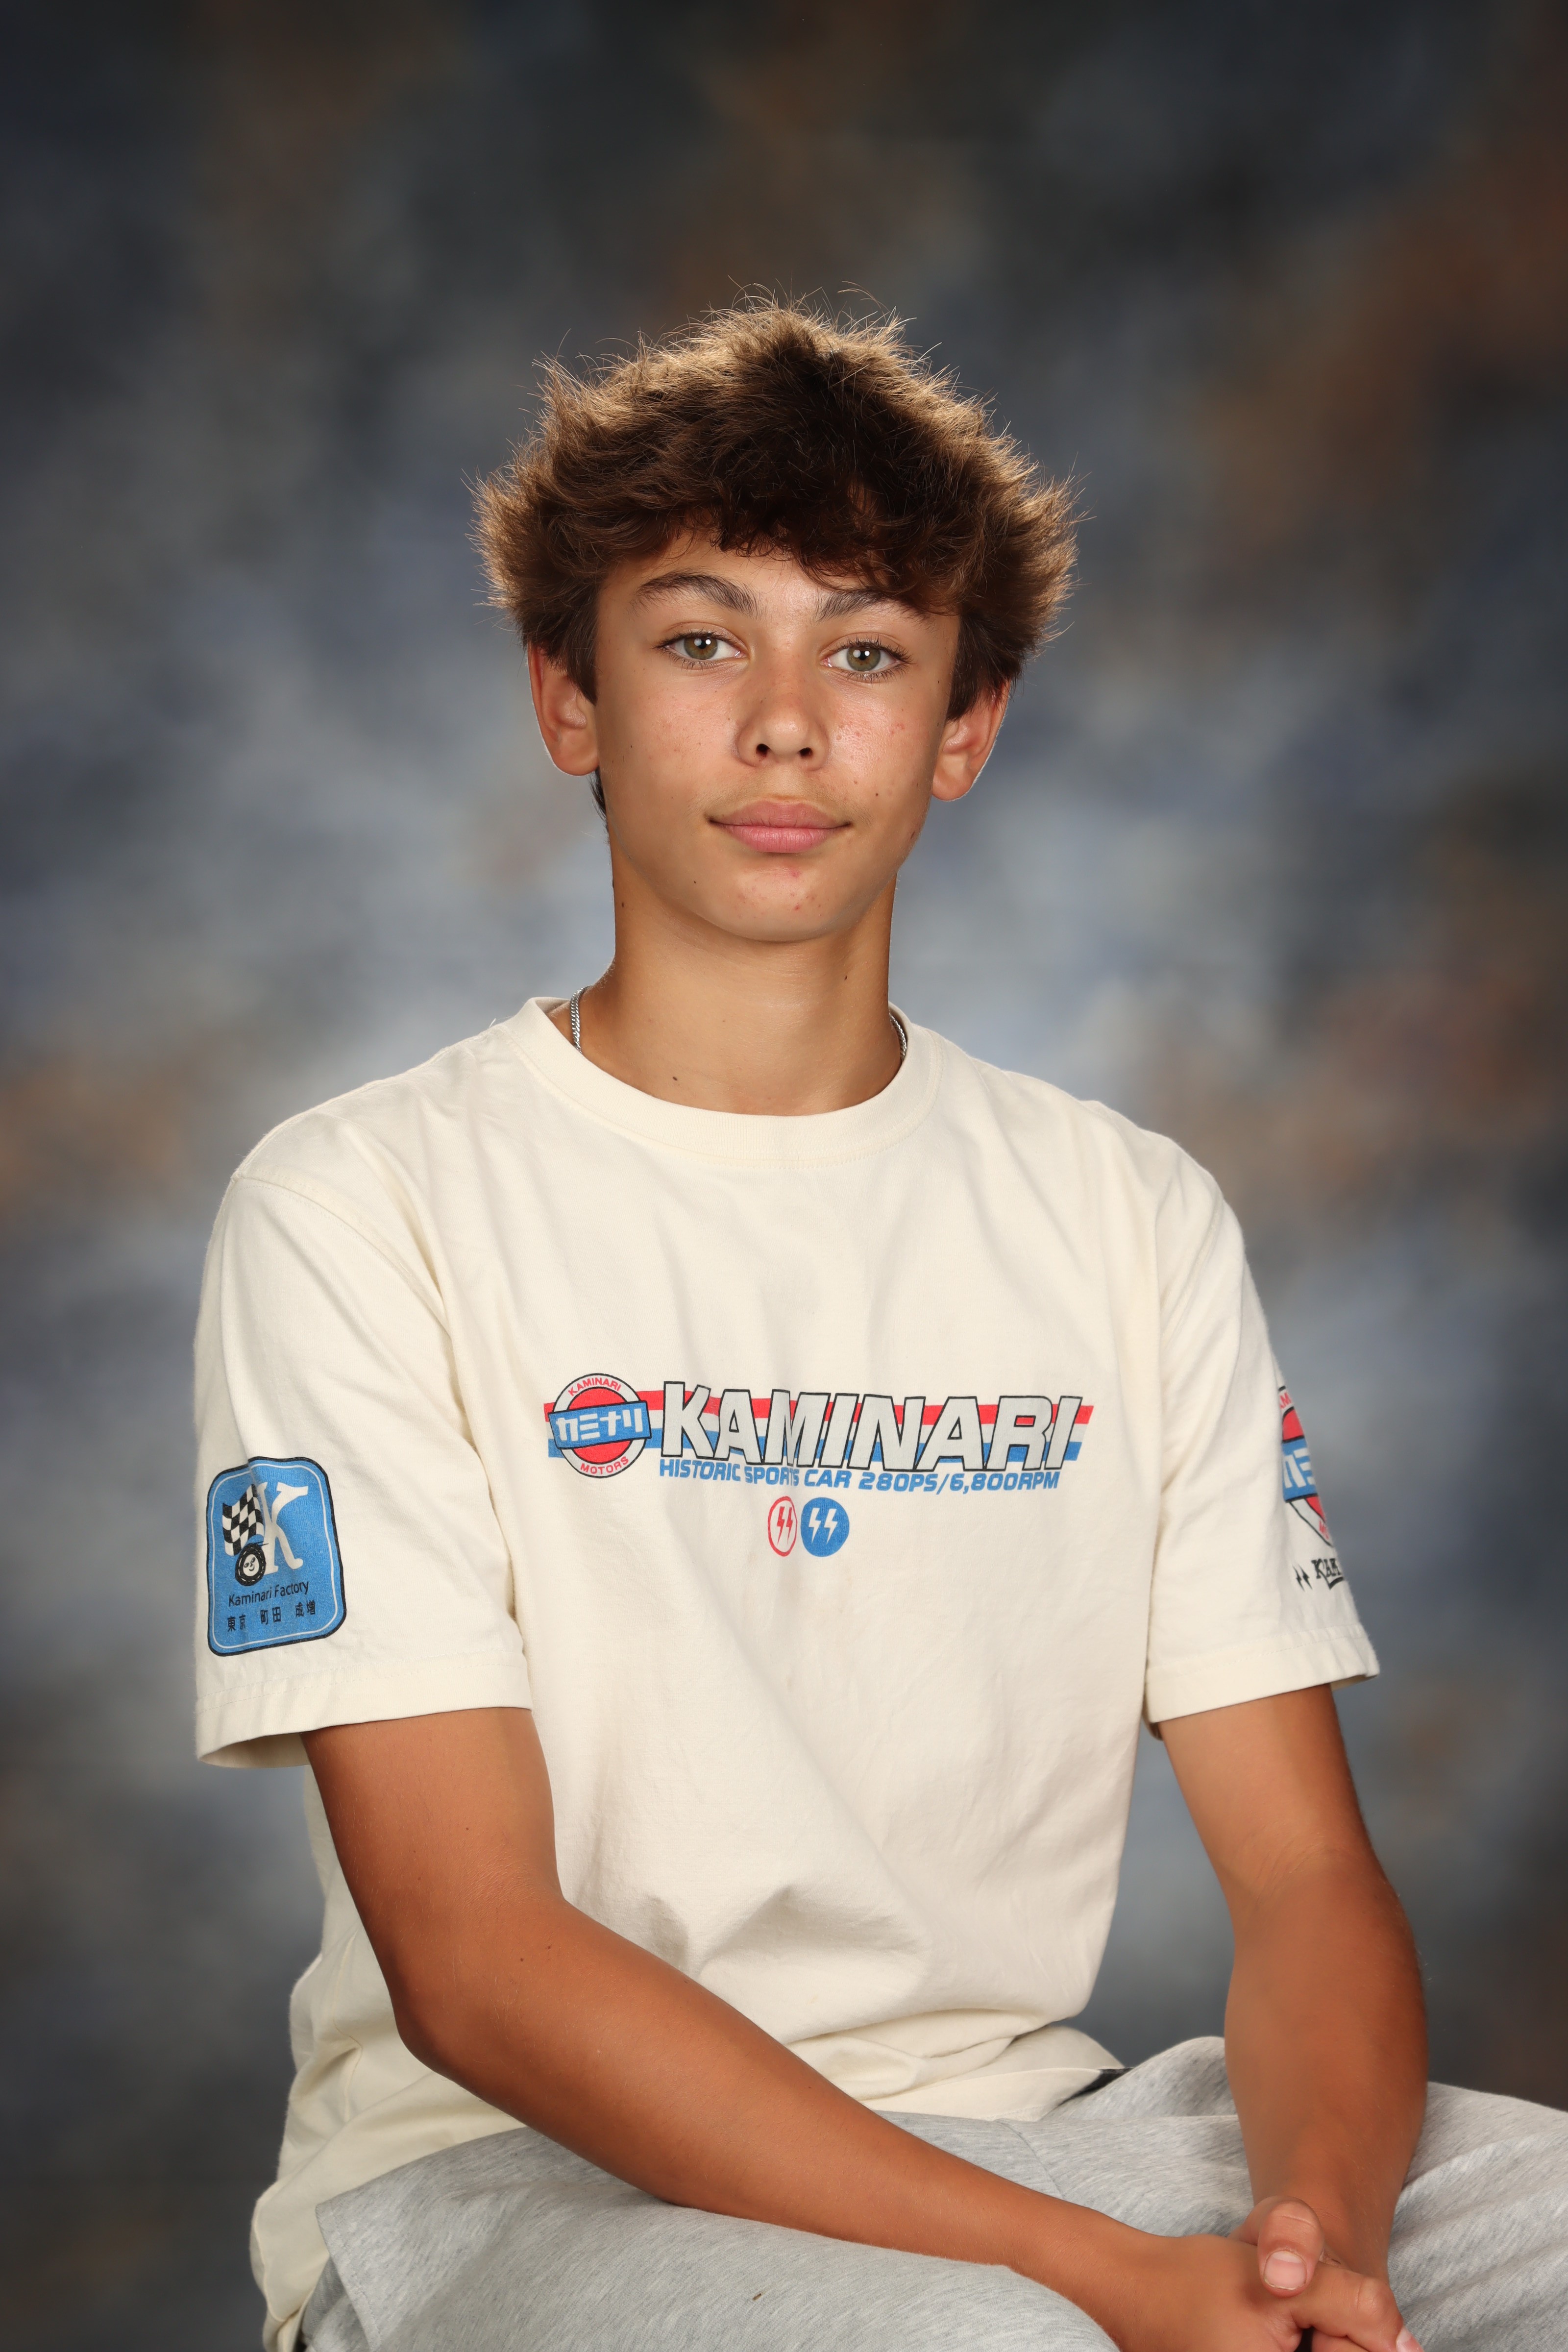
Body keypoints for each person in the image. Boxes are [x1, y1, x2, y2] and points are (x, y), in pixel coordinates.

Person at [194, 303, 1566, 2352]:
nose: (781, 727)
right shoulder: (362, 1201)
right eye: (697, 641)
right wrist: (1101, 2277)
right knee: (996, 2343)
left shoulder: (1124, 1215)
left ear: (962, 726)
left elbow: (1301, 1881)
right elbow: (473, 1967)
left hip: (1044, 2129)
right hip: (500, 2181)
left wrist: (1315, 2250)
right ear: (568, 699)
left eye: (861, 654)